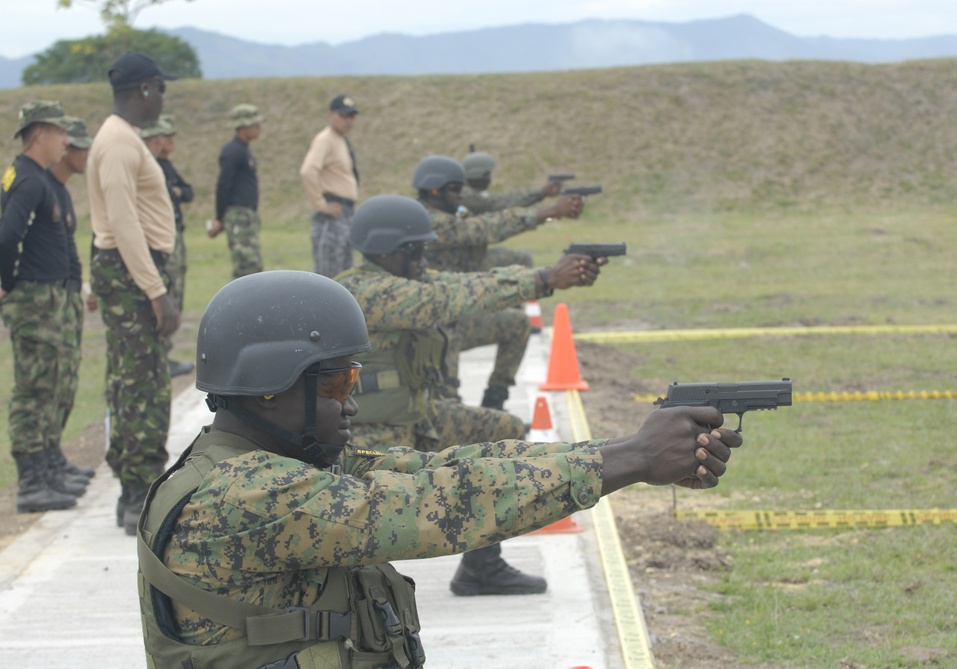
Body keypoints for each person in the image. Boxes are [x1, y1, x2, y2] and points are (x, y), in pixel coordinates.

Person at [136, 269, 741, 668]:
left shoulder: (270, 464)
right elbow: (438, 507)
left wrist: (628, 449)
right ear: (268, 388)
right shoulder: (243, 496)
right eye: (340, 381)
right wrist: (633, 459)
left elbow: (447, 470)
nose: (352, 401)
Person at [336, 194, 604, 596]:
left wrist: (545, 277)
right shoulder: (366, 292)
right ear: (392, 251)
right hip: (368, 434)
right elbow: (444, 300)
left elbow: (463, 284)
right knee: (374, 517)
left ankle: (482, 566)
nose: (427, 257)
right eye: (419, 249)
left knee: (503, 432)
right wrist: (544, 279)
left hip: (417, 416)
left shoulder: (407, 280)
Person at [87, 51, 180, 535]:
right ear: (144, 89)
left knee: (130, 378)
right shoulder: (120, 143)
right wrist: (156, 290)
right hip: (132, 271)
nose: (163, 96)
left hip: (125, 269)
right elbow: (123, 224)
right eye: (160, 87)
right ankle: (142, 488)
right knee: (143, 383)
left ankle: (133, 489)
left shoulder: (117, 138)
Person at [414, 154, 583, 407]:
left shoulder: (454, 210)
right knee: (445, 408)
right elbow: (484, 227)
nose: (462, 195)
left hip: (455, 316)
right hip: (432, 328)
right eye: (456, 190)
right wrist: (549, 211)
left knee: (517, 324)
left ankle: (494, 402)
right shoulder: (426, 220)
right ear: (436, 191)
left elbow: (488, 214)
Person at [0, 100, 82, 513]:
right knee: (35, 389)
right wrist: (8, 284)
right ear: (39, 134)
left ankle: (50, 467)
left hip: (51, 295)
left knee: (52, 384)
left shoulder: (41, 179)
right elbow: (6, 236)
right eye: (59, 131)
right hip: (35, 299)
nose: (66, 140)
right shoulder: (29, 181)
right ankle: (32, 481)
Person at [45, 116, 98, 492]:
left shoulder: (59, 191)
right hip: (42, 300)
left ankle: (53, 463)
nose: (84, 154)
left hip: (63, 296)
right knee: (42, 386)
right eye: (78, 147)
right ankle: (40, 474)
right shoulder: (36, 185)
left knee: (62, 383)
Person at [461, 149, 564, 269]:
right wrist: (541, 194)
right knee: (522, 259)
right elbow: (501, 203)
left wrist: (541, 194)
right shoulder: (468, 196)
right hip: (467, 261)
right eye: (487, 174)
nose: (490, 179)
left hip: (472, 256)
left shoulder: (470, 194)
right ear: (477, 175)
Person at [300, 94, 360, 278]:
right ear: (331, 115)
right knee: (328, 275)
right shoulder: (325, 139)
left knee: (345, 273)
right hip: (331, 215)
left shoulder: (340, 140)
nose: (348, 121)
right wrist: (320, 204)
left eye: (351, 116)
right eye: (343, 115)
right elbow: (308, 171)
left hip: (345, 214)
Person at [154, 114, 195, 377]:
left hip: (176, 233)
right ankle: (161, 356)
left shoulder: (167, 165)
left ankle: (165, 354)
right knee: (167, 289)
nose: (171, 140)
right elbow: (169, 194)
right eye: (167, 135)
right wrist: (176, 192)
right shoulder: (154, 166)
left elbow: (188, 192)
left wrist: (178, 192)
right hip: (165, 237)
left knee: (177, 290)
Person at [208, 103, 264, 279]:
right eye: (255, 125)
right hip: (238, 214)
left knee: (253, 265)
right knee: (246, 265)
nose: (259, 128)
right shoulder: (232, 151)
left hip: (246, 214)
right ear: (243, 126)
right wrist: (219, 216)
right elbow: (224, 185)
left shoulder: (243, 150)